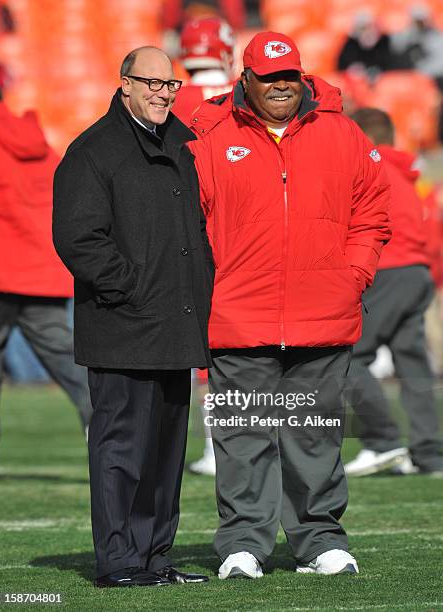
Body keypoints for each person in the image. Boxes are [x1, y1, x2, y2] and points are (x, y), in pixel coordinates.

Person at [188, 31, 391, 578]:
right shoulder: (209, 136)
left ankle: (320, 539)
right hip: (237, 315)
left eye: (289, 77)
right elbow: (189, 222)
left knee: (315, 434)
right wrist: (209, 288)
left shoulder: (344, 134)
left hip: (323, 315)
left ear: (301, 77)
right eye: (269, 78)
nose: (281, 87)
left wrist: (350, 278)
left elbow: (372, 214)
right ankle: (243, 545)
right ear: (245, 80)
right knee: (242, 436)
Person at [53, 46, 213, 588]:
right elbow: (79, 238)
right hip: (123, 326)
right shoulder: (94, 149)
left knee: (167, 455)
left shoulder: (187, 145)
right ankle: (119, 562)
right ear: (125, 84)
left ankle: (154, 560)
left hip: (176, 323)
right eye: (152, 83)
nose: (163, 93)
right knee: (121, 450)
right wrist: (131, 288)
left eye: (171, 85)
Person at [344, 108, 443, 478]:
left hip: (387, 270)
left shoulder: (367, 169)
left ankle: (383, 441)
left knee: (348, 357)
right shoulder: (405, 176)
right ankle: (429, 455)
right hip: (417, 273)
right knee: (413, 364)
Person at [0, 85, 92, 452]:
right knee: (72, 366)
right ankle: (107, 434)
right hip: (41, 273)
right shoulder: (37, 144)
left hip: (2, 271)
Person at [172, 15, 235, 476]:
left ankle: (215, 448)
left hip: (185, 234)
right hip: (238, 230)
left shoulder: (167, 100)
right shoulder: (242, 95)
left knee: (198, 349)